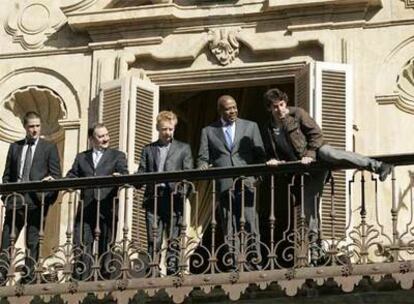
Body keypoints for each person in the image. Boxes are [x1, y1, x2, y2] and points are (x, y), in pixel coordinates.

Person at [262, 88, 393, 265]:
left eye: (282, 104)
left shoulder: (298, 114)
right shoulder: (270, 127)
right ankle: (316, 253)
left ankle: (378, 166)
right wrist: (273, 160)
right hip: (303, 171)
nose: (280, 109)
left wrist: (310, 153)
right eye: (275, 107)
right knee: (310, 213)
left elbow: (316, 134)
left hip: (317, 154)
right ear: (269, 108)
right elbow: (273, 151)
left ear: (285, 102)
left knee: (333, 154)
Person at [197, 95, 266, 270]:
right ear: (220, 110)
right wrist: (203, 166)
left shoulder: (251, 126)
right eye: (228, 109)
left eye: (234, 107)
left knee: (250, 220)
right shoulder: (208, 131)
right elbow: (203, 157)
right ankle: (234, 263)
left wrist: (256, 178)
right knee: (229, 222)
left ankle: (255, 261)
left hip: (246, 181)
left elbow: (260, 155)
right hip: (224, 182)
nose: (233, 111)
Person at [0, 111, 61, 284]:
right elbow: (6, 177)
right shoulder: (15, 147)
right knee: (7, 239)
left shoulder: (48, 147)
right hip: (15, 201)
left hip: (37, 202)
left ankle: (29, 275)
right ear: (25, 127)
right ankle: (1, 274)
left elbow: (56, 176)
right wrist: (7, 198)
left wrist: (46, 199)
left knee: (32, 241)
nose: (35, 130)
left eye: (37, 126)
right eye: (31, 126)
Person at [66, 123, 128, 280]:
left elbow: (124, 172)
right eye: (101, 136)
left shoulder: (117, 155)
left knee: (106, 245)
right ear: (92, 139)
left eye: (107, 135)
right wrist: (62, 181)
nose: (106, 139)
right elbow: (72, 175)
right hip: (86, 208)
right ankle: (82, 278)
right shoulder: (82, 157)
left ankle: (104, 280)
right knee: (82, 243)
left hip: (107, 207)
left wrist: (119, 176)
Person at [137, 111, 193, 275]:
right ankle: (153, 270)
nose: (168, 133)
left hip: (174, 198)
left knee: (174, 238)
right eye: (164, 129)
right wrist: (131, 179)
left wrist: (182, 193)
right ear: (157, 128)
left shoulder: (183, 148)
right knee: (153, 238)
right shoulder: (148, 149)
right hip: (153, 198)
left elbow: (188, 174)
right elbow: (142, 171)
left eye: (171, 129)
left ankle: (173, 270)